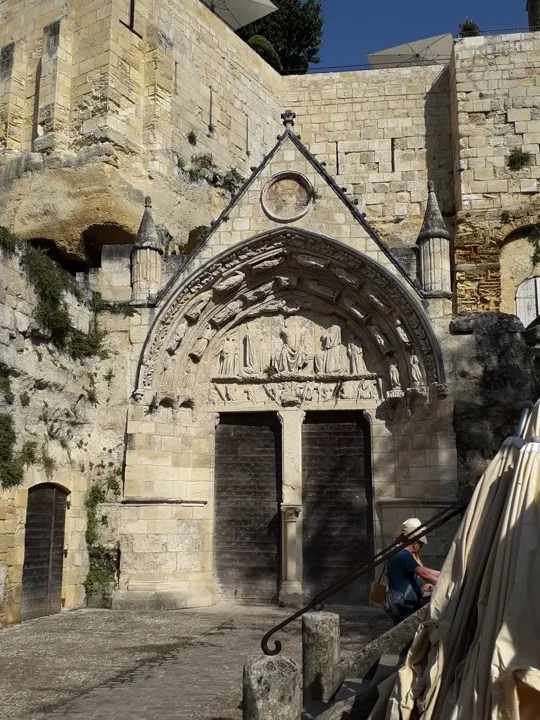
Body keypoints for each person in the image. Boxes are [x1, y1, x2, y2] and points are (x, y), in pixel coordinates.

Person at [385, 518, 440, 626]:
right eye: (421, 544)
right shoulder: (404, 555)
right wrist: (443, 583)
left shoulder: (399, 552)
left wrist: (441, 575)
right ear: (415, 543)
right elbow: (424, 574)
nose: (420, 547)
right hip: (405, 605)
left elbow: (420, 569)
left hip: (404, 603)